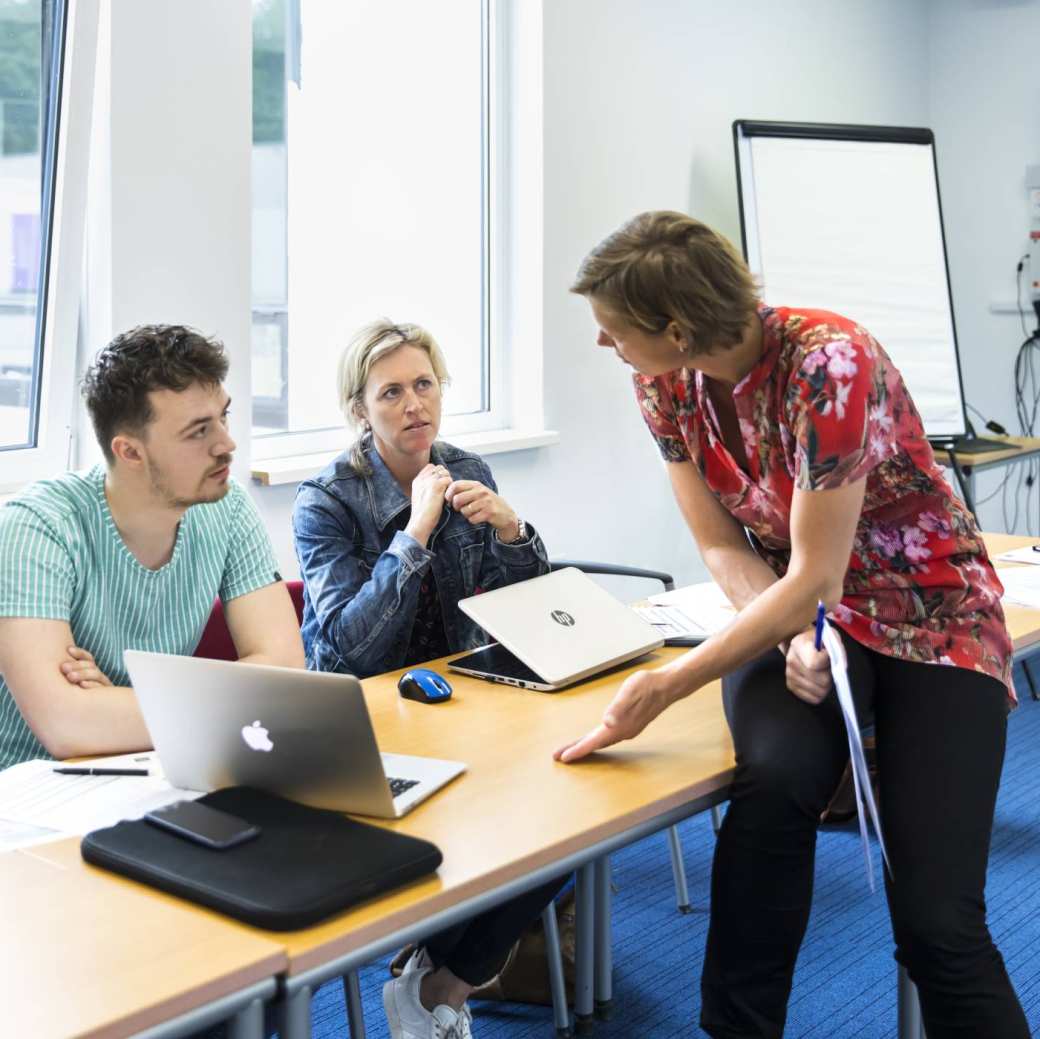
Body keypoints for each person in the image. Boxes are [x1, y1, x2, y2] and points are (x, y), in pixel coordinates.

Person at [557, 211, 1029, 1039]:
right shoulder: (661, 380)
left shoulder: (830, 361)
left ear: (675, 328)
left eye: (614, 329)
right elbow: (718, 540)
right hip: (794, 607)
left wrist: (669, 684)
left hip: (931, 607)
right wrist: (790, 633)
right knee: (772, 788)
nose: (605, 344)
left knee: (935, 918)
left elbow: (819, 572)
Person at [293, 319, 563, 1039]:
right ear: (360, 409)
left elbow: (524, 615)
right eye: (391, 392)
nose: (415, 404)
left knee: (574, 816)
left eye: (424, 384)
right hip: (363, 726)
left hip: (466, 709)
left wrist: (513, 533)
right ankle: (433, 977)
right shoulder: (326, 500)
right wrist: (411, 535)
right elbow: (350, 649)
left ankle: (439, 979)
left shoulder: (470, 465)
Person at [0, 324, 305, 771]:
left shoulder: (229, 507)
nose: (226, 444)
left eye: (223, 416)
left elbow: (283, 674)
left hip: (157, 770)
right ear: (130, 452)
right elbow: (65, 727)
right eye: (199, 431)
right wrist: (232, 696)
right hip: (32, 795)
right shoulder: (38, 525)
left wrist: (112, 706)